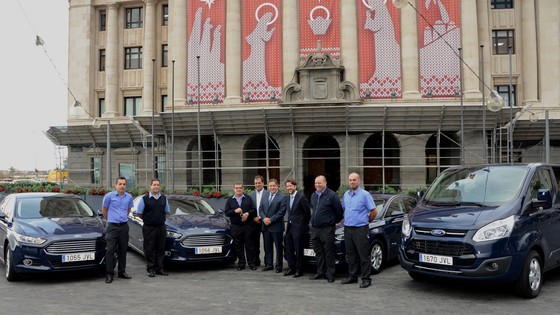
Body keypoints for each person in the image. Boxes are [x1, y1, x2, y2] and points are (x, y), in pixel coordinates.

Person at [341, 173, 378, 289]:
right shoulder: (346, 195)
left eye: (354, 180)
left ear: (359, 181)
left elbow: (374, 211)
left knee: (363, 255)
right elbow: (344, 209)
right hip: (348, 228)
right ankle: (352, 276)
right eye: (350, 180)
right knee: (350, 254)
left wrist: (366, 221)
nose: (352, 182)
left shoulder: (365, 195)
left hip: (361, 228)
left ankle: (366, 279)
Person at [309, 175, 344, 283]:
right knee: (318, 252)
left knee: (329, 252)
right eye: (316, 183)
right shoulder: (313, 195)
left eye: (319, 183)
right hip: (315, 229)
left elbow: (339, 213)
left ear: (325, 183)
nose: (317, 185)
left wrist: (331, 222)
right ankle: (320, 272)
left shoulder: (332, 195)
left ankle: (330, 274)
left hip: (327, 229)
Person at [135, 178, 170, 278]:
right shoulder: (144, 199)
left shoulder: (164, 198)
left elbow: (167, 212)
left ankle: (159, 268)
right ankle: (150, 269)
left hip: (161, 227)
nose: (156, 186)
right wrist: (149, 219)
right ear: (150, 186)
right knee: (149, 249)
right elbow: (139, 214)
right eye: (154, 185)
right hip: (149, 227)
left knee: (160, 248)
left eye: (157, 185)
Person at [102, 176, 134, 284]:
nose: (122, 186)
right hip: (112, 226)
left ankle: (122, 272)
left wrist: (123, 218)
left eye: (124, 184)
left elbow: (128, 209)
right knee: (110, 250)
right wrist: (109, 219)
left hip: (124, 226)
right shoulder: (109, 196)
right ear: (116, 185)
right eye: (120, 184)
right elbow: (104, 209)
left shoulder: (129, 197)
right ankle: (109, 274)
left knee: (123, 250)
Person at [224, 182, 257, 270]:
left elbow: (254, 210)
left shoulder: (248, 198)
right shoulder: (230, 200)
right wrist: (235, 211)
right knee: (238, 246)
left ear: (243, 189)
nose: (238, 189)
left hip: (247, 226)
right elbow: (226, 213)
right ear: (234, 189)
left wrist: (247, 214)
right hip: (236, 226)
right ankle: (241, 263)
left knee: (249, 245)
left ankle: (251, 263)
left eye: (240, 188)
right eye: (236, 188)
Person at [283, 178, 311, 278]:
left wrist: (302, 225)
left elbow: (307, 213)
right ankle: (291, 268)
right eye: (287, 186)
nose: (289, 188)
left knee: (299, 250)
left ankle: (299, 270)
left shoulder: (301, 197)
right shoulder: (287, 198)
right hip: (289, 227)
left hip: (299, 228)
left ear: (295, 186)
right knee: (289, 248)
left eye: (290, 186)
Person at [259, 178, 287, 273]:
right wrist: (263, 218)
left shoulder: (282, 197)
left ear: (277, 186)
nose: (272, 187)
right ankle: (269, 265)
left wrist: (270, 220)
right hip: (266, 226)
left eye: (274, 186)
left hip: (276, 226)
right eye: (270, 186)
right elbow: (260, 209)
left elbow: (281, 212)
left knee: (278, 248)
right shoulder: (265, 195)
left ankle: (278, 266)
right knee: (267, 247)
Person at [249, 175, 268, 267]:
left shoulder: (268, 194)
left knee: (267, 243)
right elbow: (249, 208)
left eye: (259, 183)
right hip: (254, 222)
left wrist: (261, 217)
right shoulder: (250, 195)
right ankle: (256, 261)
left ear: (263, 183)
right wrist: (253, 218)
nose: (257, 185)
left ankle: (268, 262)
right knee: (255, 243)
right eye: (256, 183)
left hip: (265, 221)